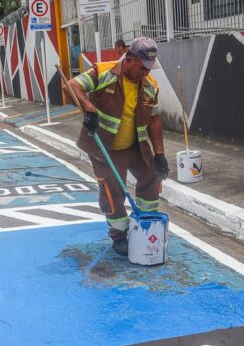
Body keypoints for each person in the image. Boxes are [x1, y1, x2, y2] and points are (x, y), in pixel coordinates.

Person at [63, 37, 169, 256]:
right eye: (142, 68)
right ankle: (119, 235)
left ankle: (146, 224)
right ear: (129, 60)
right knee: (113, 191)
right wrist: (89, 107)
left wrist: (160, 154)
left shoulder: (150, 86)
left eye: (149, 69)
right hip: (106, 147)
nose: (146, 73)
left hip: (136, 146)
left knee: (152, 176)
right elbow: (71, 86)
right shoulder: (103, 72)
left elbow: (155, 119)